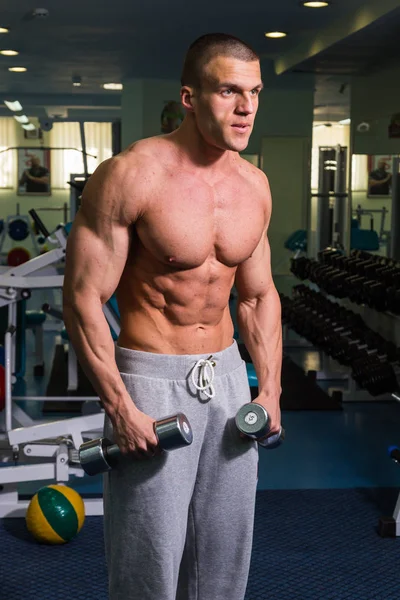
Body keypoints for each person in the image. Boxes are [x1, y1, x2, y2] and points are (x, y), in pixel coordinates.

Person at [63, 33, 282, 600]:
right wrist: (119, 405)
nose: (246, 107)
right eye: (229, 91)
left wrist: (272, 389)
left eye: (254, 92)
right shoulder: (132, 175)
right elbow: (84, 297)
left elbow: (258, 297)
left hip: (230, 380)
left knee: (225, 554)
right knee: (149, 560)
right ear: (189, 97)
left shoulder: (254, 186)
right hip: (152, 380)